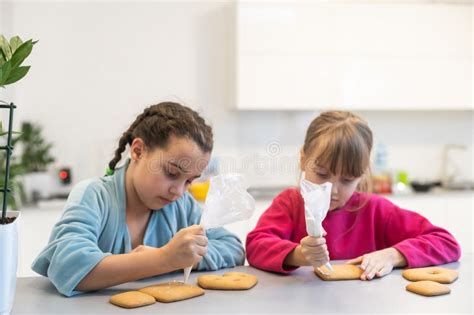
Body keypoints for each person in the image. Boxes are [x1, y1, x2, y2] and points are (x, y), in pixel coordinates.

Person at [32, 102, 245, 296]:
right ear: (138, 151)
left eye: (189, 181)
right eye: (171, 173)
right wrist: (164, 259)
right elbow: (67, 265)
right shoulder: (94, 196)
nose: (179, 191)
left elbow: (232, 247)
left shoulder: (182, 206)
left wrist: (187, 256)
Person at [246, 111, 461, 280]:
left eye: (347, 179)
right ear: (303, 160)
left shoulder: (377, 211)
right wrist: (299, 255)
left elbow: (446, 242)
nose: (333, 190)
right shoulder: (290, 204)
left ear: (361, 174)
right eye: (322, 174)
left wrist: (393, 255)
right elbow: (256, 245)